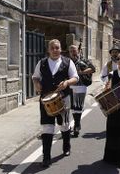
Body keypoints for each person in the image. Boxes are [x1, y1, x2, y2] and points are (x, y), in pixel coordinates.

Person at [32, 39, 79, 168]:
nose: (55, 50)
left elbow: (75, 77)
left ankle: (66, 145)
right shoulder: (41, 63)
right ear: (48, 50)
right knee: (47, 128)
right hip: (46, 100)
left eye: (57, 48)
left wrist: (67, 83)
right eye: (52, 48)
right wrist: (36, 83)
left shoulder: (67, 62)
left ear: (61, 49)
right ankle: (46, 157)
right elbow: (35, 76)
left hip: (63, 98)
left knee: (64, 125)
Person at [69, 44, 95, 138]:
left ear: (78, 51)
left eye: (74, 50)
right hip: (70, 86)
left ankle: (77, 124)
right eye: (71, 51)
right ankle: (76, 124)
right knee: (73, 107)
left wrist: (81, 72)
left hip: (81, 85)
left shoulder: (84, 60)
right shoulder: (68, 61)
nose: (73, 52)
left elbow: (92, 69)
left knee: (79, 106)